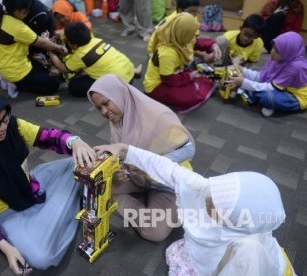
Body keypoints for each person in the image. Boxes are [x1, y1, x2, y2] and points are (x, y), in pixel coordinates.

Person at [0, 83, 96, 274]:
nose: (3, 127)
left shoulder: (11, 125)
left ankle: (59, 211)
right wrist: (6, 248)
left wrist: (74, 141)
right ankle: (68, 206)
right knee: (40, 258)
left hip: (29, 184)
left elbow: (46, 137)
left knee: (77, 163)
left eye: (5, 118)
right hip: (7, 212)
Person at [95, 143, 295, 275]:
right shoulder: (209, 190)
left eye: (217, 206)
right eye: (213, 194)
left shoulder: (247, 250)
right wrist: (125, 150)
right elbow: (170, 170)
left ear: (234, 222)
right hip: (203, 251)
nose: (208, 200)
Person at [87, 74, 195, 242]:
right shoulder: (118, 120)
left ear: (119, 95)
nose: (104, 112)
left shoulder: (158, 115)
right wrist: (118, 172)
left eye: (106, 103)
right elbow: (122, 156)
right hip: (138, 177)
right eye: (99, 108)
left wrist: (147, 165)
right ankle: (137, 203)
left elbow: (188, 149)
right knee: (97, 187)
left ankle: (132, 206)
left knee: (155, 232)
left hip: (168, 183)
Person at [228, 31, 307, 117]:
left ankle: (271, 104)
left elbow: (271, 87)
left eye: (277, 51)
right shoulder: (279, 57)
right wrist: (243, 70)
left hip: (296, 96)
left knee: (265, 97)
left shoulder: (295, 66)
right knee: (249, 83)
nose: (272, 52)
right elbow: (261, 76)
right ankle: (256, 97)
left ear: (288, 51)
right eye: (273, 47)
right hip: (281, 87)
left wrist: (244, 82)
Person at [0, 0, 68, 96]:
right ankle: (16, 84)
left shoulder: (2, 15)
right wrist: (60, 48)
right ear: (15, 11)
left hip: (7, 63)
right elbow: (42, 43)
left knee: (44, 69)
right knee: (53, 85)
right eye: (24, 12)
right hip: (15, 71)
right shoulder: (17, 28)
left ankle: (10, 78)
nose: (27, 14)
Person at [143, 13, 215, 113]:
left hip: (172, 75)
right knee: (188, 97)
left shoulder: (178, 40)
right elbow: (168, 79)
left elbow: (197, 42)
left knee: (201, 81)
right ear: (183, 34)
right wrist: (189, 76)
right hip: (156, 85)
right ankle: (155, 97)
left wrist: (213, 45)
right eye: (191, 34)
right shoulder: (167, 53)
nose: (193, 37)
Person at [48, 22, 141, 97]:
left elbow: (62, 68)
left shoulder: (80, 55)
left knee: (74, 86)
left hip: (120, 86)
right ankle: (134, 71)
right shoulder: (96, 39)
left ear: (74, 45)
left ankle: (110, 92)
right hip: (128, 71)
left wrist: (51, 51)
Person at [148, 0, 222, 65]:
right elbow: (181, 47)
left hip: (181, 52)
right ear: (180, 10)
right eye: (190, 11)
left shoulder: (190, 18)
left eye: (196, 12)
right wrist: (203, 55)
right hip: (165, 57)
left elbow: (193, 41)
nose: (194, 15)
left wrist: (212, 45)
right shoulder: (170, 26)